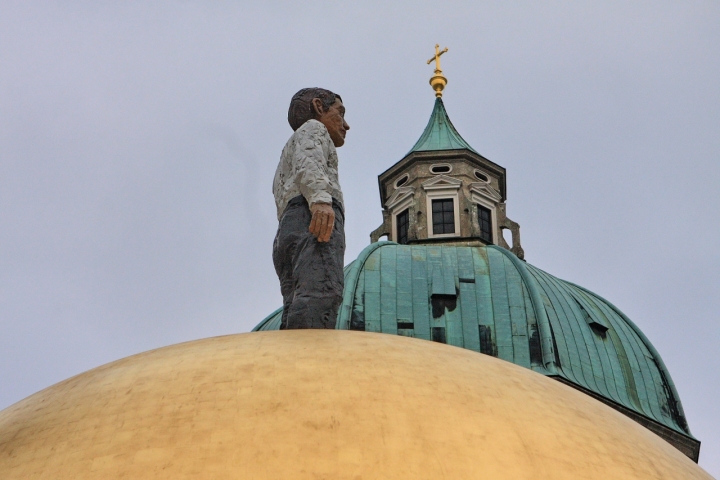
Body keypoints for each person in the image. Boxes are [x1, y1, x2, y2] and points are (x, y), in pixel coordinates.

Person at [272, 88, 350, 329]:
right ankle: (313, 358)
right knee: (323, 290)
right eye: (340, 112)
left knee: (294, 302)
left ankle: (292, 357)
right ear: (319, 107)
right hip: (311, 218)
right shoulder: (314, 129)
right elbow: (309, 163)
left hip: (288, 227)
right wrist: (320, 201)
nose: (346, 125)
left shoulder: (287, 151)